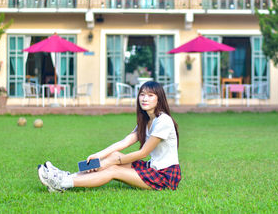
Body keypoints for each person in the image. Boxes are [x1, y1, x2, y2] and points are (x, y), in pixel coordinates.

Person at [37, 81, 181, 192]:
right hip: (151, 168)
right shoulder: (146, 120)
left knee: (113, 170)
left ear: (159, 99)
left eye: (150, 95)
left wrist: (111, 163)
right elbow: (125, 142)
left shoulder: (163, 121)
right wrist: (99, 156)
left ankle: (61, 183)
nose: (144, 98)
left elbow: (142, 153)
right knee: (114, 155)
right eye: (142, 94)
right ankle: (66, 176)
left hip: (166, 176)